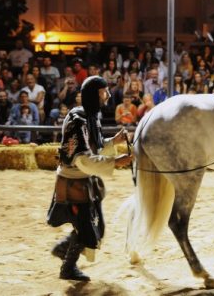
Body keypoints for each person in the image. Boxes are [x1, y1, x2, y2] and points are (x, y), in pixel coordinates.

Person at [47, 76, 132, 281]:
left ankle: (63, 249)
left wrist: (114, 141)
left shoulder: (90, 116)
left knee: (94, 227)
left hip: (84, 182)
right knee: (88, 228)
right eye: (103, 92)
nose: (108, 96)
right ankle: (68, 267)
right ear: (94, 95)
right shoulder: (79, 120)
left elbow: (94, 146)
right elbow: (82, 158)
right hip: (74, 182)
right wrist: (115, 162)